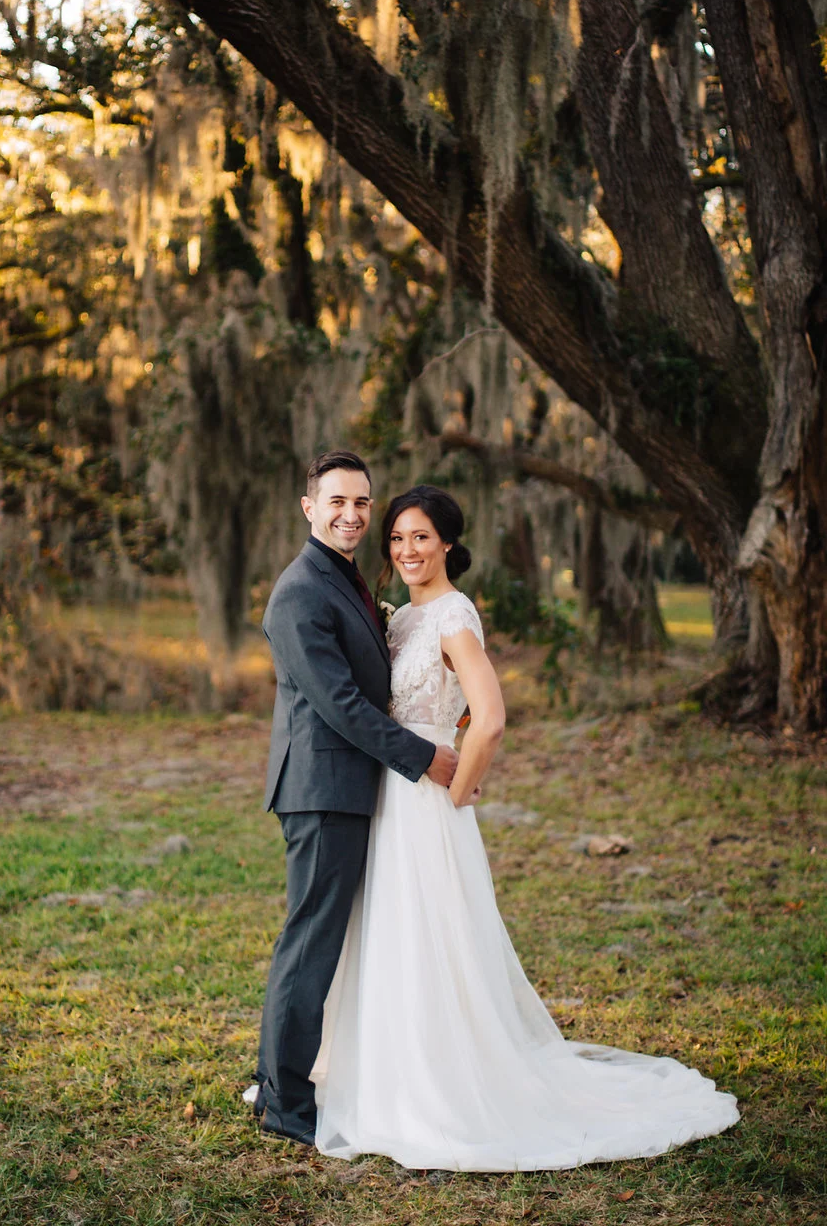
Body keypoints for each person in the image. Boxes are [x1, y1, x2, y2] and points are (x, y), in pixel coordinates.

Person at [312, 484, 739, 1170]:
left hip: (425, 799)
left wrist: (457, 787)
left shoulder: (452, 615)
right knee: (389, 929)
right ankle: (386, 1069)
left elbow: (491, 713)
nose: (406, 549)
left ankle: (438, 1088)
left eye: (420, 537)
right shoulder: (399, 621)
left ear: (448, 543)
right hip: (386, 790)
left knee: (429, 935)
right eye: (396, 538)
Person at [248, 453, 460, 1146]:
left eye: (362, 502)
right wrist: (425, 756)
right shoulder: (299, 591)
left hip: (348, 786)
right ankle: (284, 1105)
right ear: (307, 506)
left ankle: (293, 1084)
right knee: (310, 944)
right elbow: (338, 703)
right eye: (337, 501)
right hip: (323, 789)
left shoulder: (346, 579)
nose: (352, 514)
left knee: (324, 943)